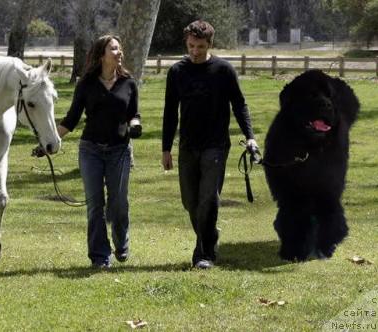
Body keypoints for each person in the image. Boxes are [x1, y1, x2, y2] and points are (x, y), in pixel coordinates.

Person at [161, 20, 258, 269]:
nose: (195, 51)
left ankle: (203, 254)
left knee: (208, 199)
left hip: (215, 145)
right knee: (189, 202)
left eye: (200, 47)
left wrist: (250, 136)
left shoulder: (223, 70)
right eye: (191, 46)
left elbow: (239, 105)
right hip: (187, 146)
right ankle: (211, 236)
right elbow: (170, 112)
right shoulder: (177, 72)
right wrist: (166, 148)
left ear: (210, 45)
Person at [57, 35, 141, 269]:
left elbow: (134, 113)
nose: (118, 52)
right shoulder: (86, 84)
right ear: (101, 55)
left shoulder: (128, 83)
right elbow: (71, 119)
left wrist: (134, 124)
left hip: (120, 150)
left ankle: (121, 243)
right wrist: (50, 142)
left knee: (118, 203)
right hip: (90, 150)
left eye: (119, 48)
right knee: (95, 204)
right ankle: (99, 255)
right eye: (113, 49)